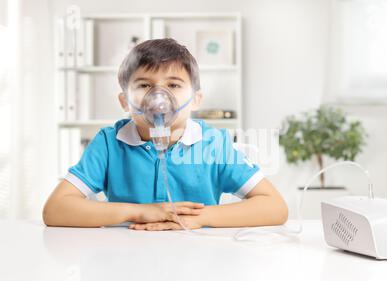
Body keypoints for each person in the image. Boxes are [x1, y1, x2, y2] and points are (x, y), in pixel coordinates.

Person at [43, 38, 288, 231]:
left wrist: (198, 218)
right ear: (125, 101)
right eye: (144, 85)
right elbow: (56, 210)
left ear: (196, 100)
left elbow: (275, 207)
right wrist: (142, 212)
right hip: (126, 257)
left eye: (173, 85)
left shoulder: (214, 144)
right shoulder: (109, 144)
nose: (159, 97)